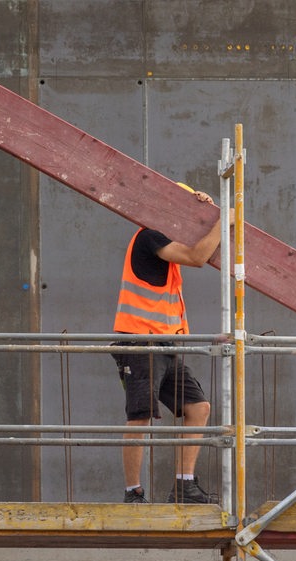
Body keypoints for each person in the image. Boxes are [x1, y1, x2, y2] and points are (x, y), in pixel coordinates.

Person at [111, 183, 223, 504]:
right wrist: (220, 223)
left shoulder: (162, 241)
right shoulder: (150, 237)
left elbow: (192, 243)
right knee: (140, 415)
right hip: (141, 342)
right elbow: (197, 256)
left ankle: (184, 486)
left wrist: (202, 207)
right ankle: (134, 493)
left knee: (198, 408)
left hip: (165, 344)